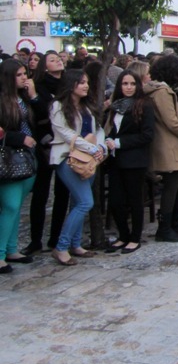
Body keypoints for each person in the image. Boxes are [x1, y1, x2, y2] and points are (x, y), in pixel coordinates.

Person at [49, 69, 107, 266]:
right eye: (81, 82)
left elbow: (97, 129)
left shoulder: (86, 106)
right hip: (67, 158)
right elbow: (66, 134)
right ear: (71, 84)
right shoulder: (57, 106)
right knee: (85, 202)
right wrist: (92, 147)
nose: (86, 85)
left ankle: (75, 244)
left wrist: (99, 147)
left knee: (77, 203)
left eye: (87, 82)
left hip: (88, 159)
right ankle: (61, 246)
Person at [141, 56, 178, 242]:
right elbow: (171, 120)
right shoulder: (162, 91)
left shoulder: (160, 89)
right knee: (173, 184)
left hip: (172, 142)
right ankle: (165, 227)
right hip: (168, 143)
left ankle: (175, 222)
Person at [103, 70, 155, 254]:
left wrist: (119, 142)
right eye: (125, 84)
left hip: (134, 159)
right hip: (115, 160)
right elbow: (110, 129)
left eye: (132, 84)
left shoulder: (145, 105)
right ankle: (123, 235)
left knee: (134, 200)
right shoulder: (115, 106)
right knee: (116, 200)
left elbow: (147, 135)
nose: (129, 87)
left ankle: (134, 237)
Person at [22, 51, 68, 255]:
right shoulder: (37, 86)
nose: (57, 60)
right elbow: (42, 113)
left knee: (62, 193)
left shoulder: (68, 84)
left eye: (58, 58)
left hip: (65, 142)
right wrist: (34, 97)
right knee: (40, 194)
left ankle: (56, 237)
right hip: (45, 144)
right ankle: (35, 239)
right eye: (52, 59)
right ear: (44, 66)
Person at [0, 60, 44, 273]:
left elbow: (42, 116)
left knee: (16, 206)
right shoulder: (3, 99)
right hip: (10, 158)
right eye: (19, 75)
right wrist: (19, 139)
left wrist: (34, 96)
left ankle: (11, 248)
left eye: (25, 73)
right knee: (10, 205)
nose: (24, 77)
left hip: (28, 156)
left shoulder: (23, 97)